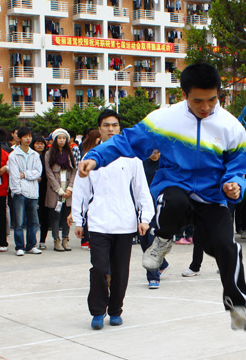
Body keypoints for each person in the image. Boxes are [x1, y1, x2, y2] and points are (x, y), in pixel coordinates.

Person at [78, 62, 246, 331]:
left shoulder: (231, 127)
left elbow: (236, 168)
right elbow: (127, 141)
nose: (206, 107)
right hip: (174, 187)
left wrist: (233, 184)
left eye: (212, 100)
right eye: (198, 101)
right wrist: (95, 157)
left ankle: (240, 311)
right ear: (184, 95)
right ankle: (163, 239)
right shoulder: (164, 120)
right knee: (173, 201)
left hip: (211, 197)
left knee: (228, 247)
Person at [72, 109, 155, 329]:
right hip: (98, 222)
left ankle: (116, 310)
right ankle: (98, 311)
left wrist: (145, 218)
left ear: (120, 129)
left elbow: (141, 190)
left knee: (120, 271)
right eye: (106, 125)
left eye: (115, 125)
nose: (110, 129)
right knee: (99, 268)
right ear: (99, 129)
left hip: (124, 223)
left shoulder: (132, 158)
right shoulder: (91, 157)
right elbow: (81, 190)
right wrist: (79, 220)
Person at [8, 127, 42, 256]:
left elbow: (38, 172)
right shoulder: (13, 155)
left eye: (30, 136)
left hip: (33, 192)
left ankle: (31, 245)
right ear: (19, 138)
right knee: (19, 222)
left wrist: (25, 174)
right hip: (20, 192)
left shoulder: (35, 155)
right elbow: (14, 175)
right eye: (25, 136)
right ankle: (19, 246)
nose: (28, 139)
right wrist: (17, 190)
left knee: (34, 221)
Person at [140, 148, 170, 289]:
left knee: (151, 240)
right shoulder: (141, 163)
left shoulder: (165, 164)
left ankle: (153, 277)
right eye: (153, 152)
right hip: (143, 206)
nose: (155, 154)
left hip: (158, 208)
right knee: (143, 241)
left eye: (158, 152)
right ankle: (162, 263)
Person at [44, 128, 76, 252]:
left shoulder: (69, 153)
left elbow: (74, 171)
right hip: (55, 190)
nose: (62, 140)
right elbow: (49, 172)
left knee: (67, 216)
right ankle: (56, 240)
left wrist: (70, 188)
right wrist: (58, 189)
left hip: (67, 189)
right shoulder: (49, 153)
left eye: (64, 138)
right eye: (59, 138)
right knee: (55, 216)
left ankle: (65, 239)